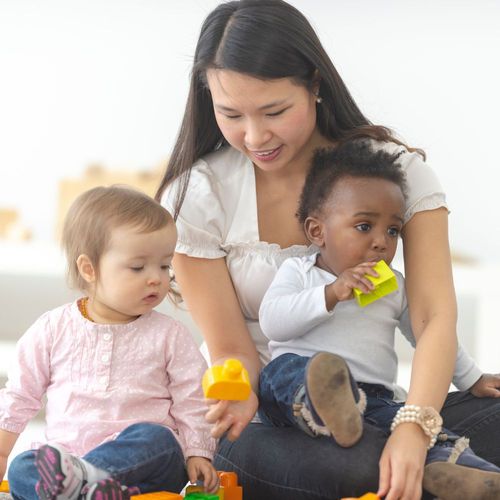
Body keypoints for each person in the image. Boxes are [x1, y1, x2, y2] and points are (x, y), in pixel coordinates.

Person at [156, 1, 500, 498]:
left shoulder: (395, 175)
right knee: (350, 464)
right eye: (231, 114)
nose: (255, 136)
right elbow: (232, 349)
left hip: (379, 408)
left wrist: (415, 424)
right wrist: (240, 398)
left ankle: (432, 460)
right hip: (264, 416)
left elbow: (430, 320)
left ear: (315, 85)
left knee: (398, 441)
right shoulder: (199, 195)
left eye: (274, 111)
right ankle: (447, 467)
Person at [257, 142, 500, 500]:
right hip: (290, 393)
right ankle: (326, 402)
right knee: (292, 371)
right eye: (364, 226)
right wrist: (332, 293)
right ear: (317, 232)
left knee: (410, 421)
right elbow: (272, 322)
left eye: (392, 231)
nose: (380, 244)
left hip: (371, 399)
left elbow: (429, 334)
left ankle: (462, 471)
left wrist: (473, 378)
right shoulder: (301, 272)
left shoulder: (393, 287)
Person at [0, 186, 218, 500]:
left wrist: (198, 451)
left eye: (164, 265)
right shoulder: (52, 329)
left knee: (159, 440)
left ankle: (82, 485)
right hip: (68, 456)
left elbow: (194, 397)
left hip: (146, 465)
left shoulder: (169, 335)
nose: (156, 278)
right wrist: (3, 451)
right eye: (138, 267)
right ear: (89, 269)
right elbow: (21, 393)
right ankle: (87, 489)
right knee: (23, 467)